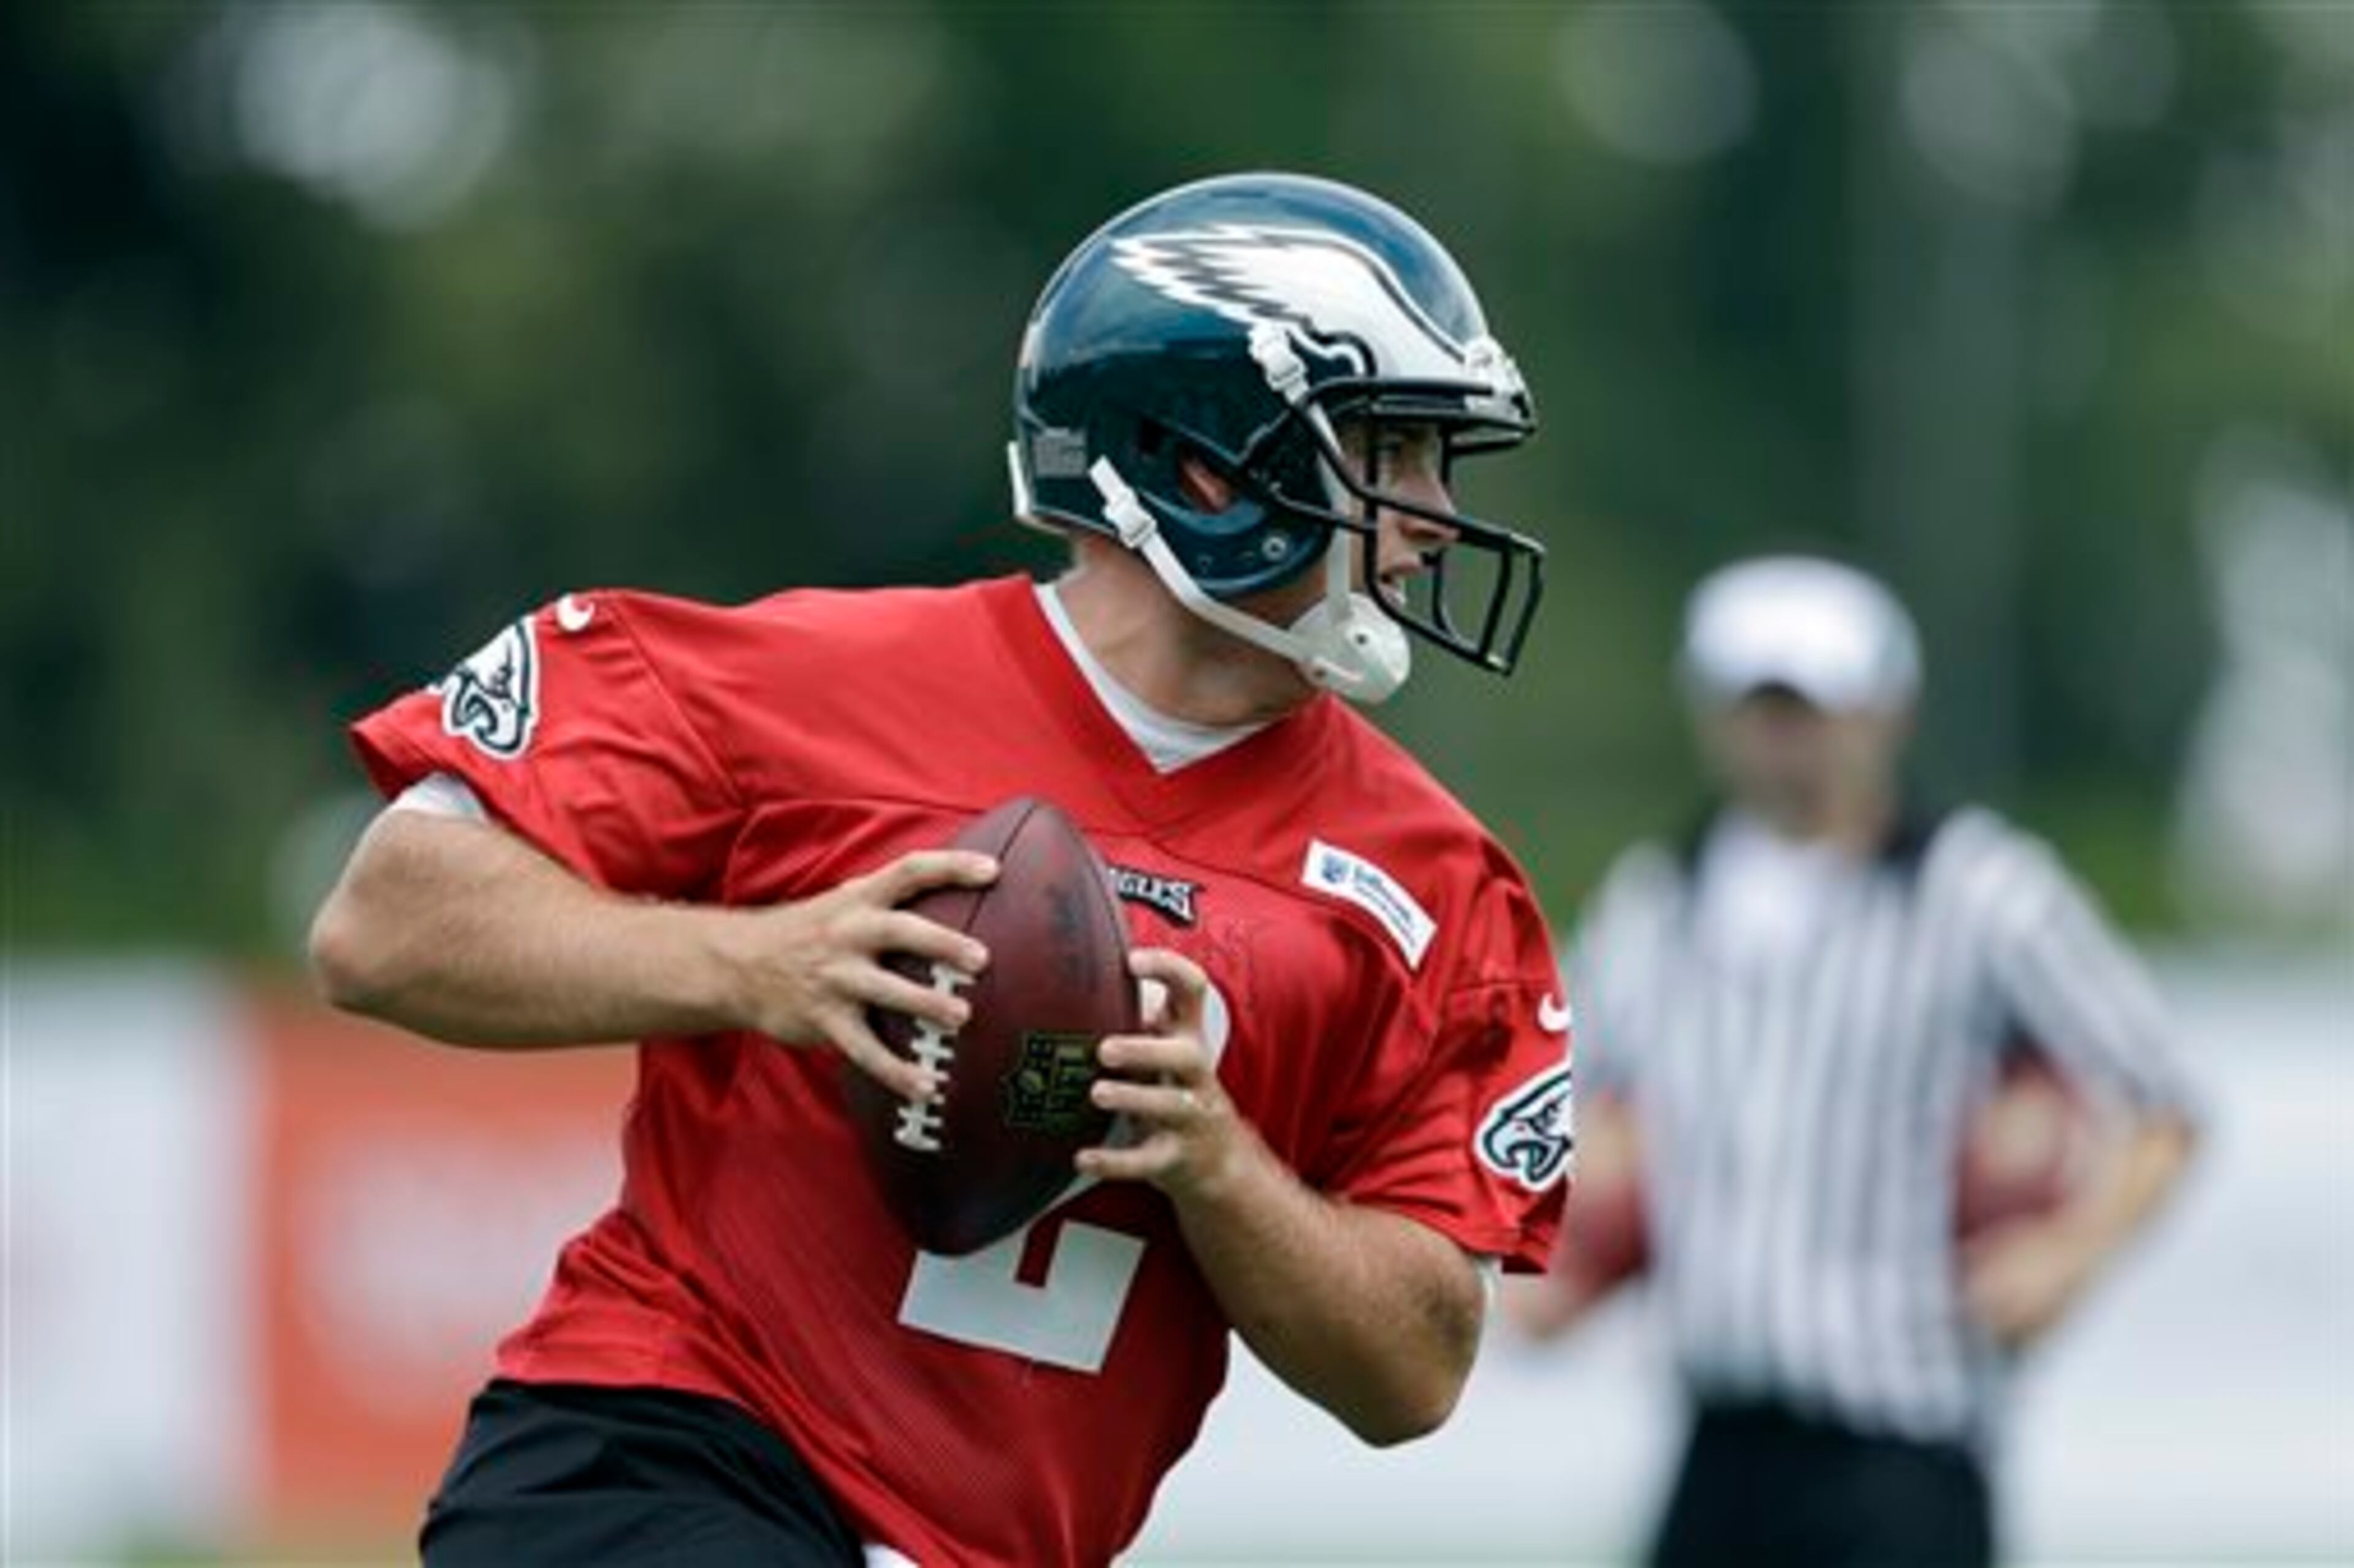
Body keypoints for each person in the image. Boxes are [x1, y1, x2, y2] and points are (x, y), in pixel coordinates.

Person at [308, 172, 1575, 1567]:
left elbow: (1415, 1375)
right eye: (1389, 452)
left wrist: (1222, 1168)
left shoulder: (1438, 883)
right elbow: (381, 921)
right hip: (664, 1449)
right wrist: (764, 964)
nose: (1434, 516)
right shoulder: (813, 684)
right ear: (1208, 464)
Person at [1507, 556, 2201, 1568]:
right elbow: (1567, 1107)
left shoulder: (1979, 892)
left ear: (1886, 712)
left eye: (1811, 708)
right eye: (1762, 707)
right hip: (1720, 1436)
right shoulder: (1658, 906)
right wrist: (1552, 1253)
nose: (1786, 738)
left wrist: (2066, 1255)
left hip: (1905, 1439)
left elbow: (2163, 1099)